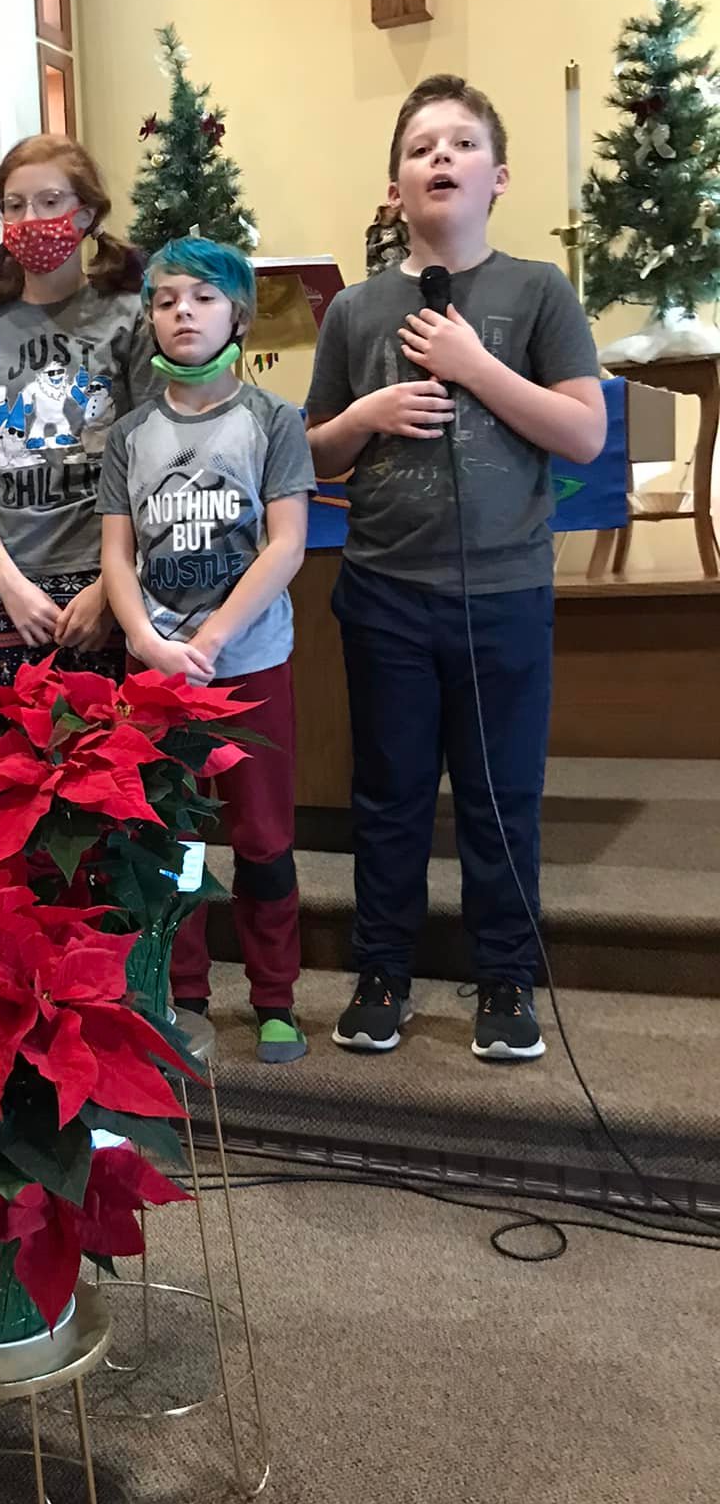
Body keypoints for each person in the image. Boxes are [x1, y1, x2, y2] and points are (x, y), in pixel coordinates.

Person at [306, 74, 605, 1062]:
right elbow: (312, 453)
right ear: (394, 186)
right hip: (387, 590)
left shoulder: (538, 292)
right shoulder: (356, 310)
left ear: (498, 176)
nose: (442, 157)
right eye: (422, 146)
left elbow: (586, 432)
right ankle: (383, 971)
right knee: (388, 796)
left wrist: (477, 366)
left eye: (463, 144)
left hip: (504, 592)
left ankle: (506, 979)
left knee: (498, 794)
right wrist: (366, 417)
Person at [100, 238, 314, 1064]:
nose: (182, 312)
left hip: (249, 663)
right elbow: (117, 555)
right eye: (165, 299)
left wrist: (215, 635)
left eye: (202, 297)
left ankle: (275, 999)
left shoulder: (271, 422)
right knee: (170, 840)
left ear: (238, 314)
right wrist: (149, 642)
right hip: (156, 676)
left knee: (262, 838)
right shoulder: (129, 436)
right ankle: (183, 992)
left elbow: (286, 541)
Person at [0, 135, 155, 686]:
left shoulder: (129, 316)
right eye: (14, 206)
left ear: (85, 213)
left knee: (121, 758)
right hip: (17, 579)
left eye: (49, 202)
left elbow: (153, 463)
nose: (30, 218)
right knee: (30, 757)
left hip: (110, 572)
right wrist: (7, 583)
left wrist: (112, 585)